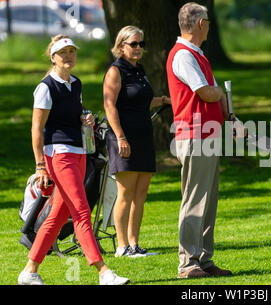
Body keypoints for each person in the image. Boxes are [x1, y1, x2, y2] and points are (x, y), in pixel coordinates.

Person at [18, 34, 129, 285]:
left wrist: (86, 118)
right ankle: (103, 272)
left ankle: (29, 271)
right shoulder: (45, 87)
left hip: (78, 152)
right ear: (53, 57)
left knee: (59, 213)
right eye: (63, 52)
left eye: (72, 51)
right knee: (81, 210)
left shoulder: (76, 83)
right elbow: (37, 129)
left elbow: (74, 115)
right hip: (58, 155)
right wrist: (40, 165)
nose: (68, 56)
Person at [166, 2, 232, 278]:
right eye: (207, 21)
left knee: (208, 200)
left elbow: (215, 94)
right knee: (195, 199)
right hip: (194, 135)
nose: (209, 26)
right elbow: (206, 92)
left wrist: (228, 114)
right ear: (200, 24)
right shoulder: (183, 55)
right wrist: (219, 92)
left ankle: (204, 258)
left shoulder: (197, 54)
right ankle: (188, 262)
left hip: (207, 135)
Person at [103, 26, 171, 258]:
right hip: (123, 138)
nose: (139, 48)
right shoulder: (115, 70)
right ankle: (122, 247)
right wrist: (121, 136)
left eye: (141, 44)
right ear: (121, 45)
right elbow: (109, 105)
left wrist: (162, 100)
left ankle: (134, 244)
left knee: (140, 193)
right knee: (126, 193)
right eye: (134, 44)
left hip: (143, 136)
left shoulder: (139, 69)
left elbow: (138, 100)